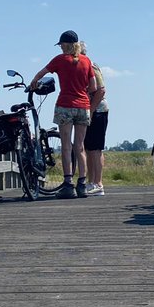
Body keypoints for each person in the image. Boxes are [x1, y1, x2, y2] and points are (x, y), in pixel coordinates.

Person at [29, 30, 96, 199]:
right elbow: (93, 86)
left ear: (66, 45)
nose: (60, 47)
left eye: (61, 45)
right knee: (80, 147)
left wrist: (33, 83)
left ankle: (68, 184)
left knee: (66, 146)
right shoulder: (86, 60)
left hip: (65, 104)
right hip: (83, 106)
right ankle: (82, 185)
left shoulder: (60, 60)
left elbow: (41, 74)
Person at [78, 42, 108, 196]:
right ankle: (91, 182)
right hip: (88, 110)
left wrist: (91, 110)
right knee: (89, 148)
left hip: (98, 110)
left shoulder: (91, 66)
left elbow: (101, 90)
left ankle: (98, 183)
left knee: (95, 148)